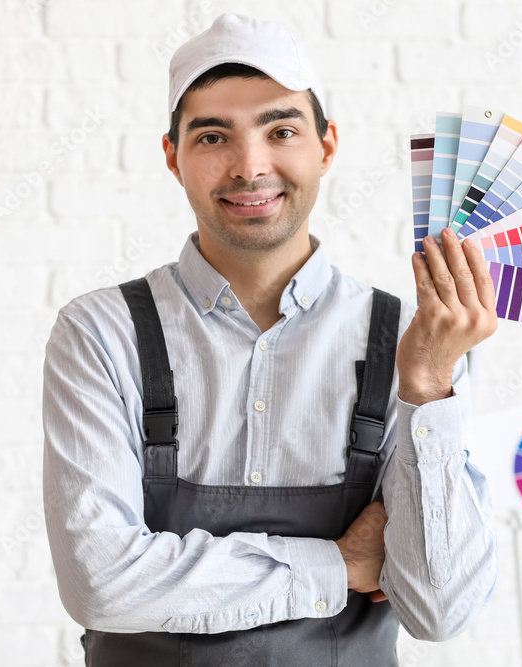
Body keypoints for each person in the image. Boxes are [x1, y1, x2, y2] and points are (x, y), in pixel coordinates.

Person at [43, 13, 499, 666]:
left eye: (281, 130)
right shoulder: (100, 333)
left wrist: (429, 391)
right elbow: (99, 583)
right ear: (173, 157)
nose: (250, 166)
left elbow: (440, 607)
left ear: (327, 146)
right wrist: (340, 564)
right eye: (212, 137)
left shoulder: (414, 339)